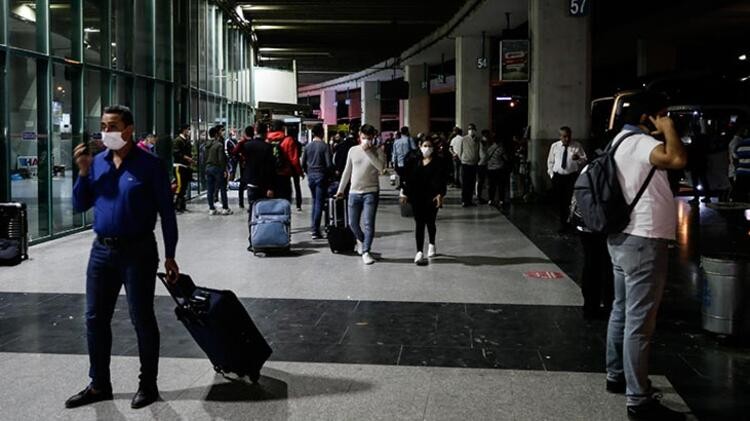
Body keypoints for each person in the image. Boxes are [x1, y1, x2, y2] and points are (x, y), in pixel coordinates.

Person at [68, 105, 180, 410]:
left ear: (129, 129)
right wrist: (81, 171)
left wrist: (170, 256)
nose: (107, 132)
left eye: (113, 126)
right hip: (101, 251)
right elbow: (79, 205)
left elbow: (167, 215)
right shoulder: (96, 162)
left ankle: (148, 385)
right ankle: (99, 384)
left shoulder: (150, 165)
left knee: (141, 318)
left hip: (139, 252)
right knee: (94, 318)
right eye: (104, 126)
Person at [605, 92, 687, 420]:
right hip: (644, 239)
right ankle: (638, 400)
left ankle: (617, 376)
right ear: (647, 117)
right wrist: (667, 128)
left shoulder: (618, 141)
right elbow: (678, 159)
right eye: (661, 114)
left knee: (621, 310)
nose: (665, 118)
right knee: (639, 322)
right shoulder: (639, 143)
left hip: (622, 236)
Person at [335, 124, 385, 265]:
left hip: (371, 191)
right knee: (352, 223)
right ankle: (362, 240)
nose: (366, 141)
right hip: (354, 192)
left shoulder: (378, 151)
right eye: (364, 138)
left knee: (369, 223)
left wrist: (369, 152)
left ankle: (366, 251)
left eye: (369, 138)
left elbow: (381, 168)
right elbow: (347, 171)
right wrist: (341, 189)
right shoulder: (353, 150)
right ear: (359, 136)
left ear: (373, 138)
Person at [400, 137, 447, 265]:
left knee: (430, 222)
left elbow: (443, 180)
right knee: (419, 223)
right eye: (424, 145)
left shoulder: (439, 162)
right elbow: (407, 178)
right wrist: (404, 193)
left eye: (429, 146)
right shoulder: (414, 161)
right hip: (417, 196)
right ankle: (419, 251)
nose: (427, 148)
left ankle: (432, 243)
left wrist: (441, 194)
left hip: (432, 196)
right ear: (420, 146)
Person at [238, 122, 276, 250]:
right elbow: (271, 169)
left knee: (252, 212)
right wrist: (271, 187)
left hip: (251, 183)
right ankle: (264, 238)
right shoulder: (268, 147)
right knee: (265, 213)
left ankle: (252, 240)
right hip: (264, 185)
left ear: (255, 131)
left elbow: (237, 153)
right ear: (266, 132)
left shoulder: (247, 146)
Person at [547, 126, 587, 232]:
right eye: (564, 136)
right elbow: (550, 161)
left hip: (571, 177)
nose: (567, 139)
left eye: (568, 136)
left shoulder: (577, 146)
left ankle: (570, 222)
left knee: (570, 200)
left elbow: (584, 160)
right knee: (560, 201)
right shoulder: (555, 146)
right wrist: (551, 174)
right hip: (558, 177)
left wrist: (578, 158)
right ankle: (562, 222)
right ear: (560, 137)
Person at [301, 124, 333, 239]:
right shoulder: (325, 146)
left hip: (311, 176)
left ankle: (313, 227)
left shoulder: (308, 147)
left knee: (315, 202)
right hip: (321, 176)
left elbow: (303, 163)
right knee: (319, 203)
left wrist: (308, 172)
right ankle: (315, 230)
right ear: (322, 133)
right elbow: (329, 164)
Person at [266, 120, 303, 203]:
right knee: (284, 204)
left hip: (269, 178)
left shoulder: (267, 140)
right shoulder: (288, 140)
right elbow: (294, 160)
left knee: (270, 205)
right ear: (283, 128)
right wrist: (300, 172)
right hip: (284, 176)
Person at [205, 125, 232, 215]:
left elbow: (204, 157)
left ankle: (211, 208)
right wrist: (224, 170)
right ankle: (225, 208)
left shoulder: (206, 145)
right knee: (223, 188)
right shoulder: (219, 145)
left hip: (208, 168)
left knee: (210, 189)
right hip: (217, 168)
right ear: (216, 134)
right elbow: (221, 159)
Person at [454, 123, 481, 207]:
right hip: (465, 163)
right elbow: (459, 151)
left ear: (475, 130)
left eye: (472, 129)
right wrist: (462, 159)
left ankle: (469, 200)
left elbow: (479, 151)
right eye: (469, 129)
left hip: (474, 164)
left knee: (472, 183)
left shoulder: (477, 139)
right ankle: (464, 200)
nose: (471, 130)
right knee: (466, 183)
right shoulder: (464, 139)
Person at [485, 135, 510, 212]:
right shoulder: (500, 148)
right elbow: (506, 158)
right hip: (499, 169)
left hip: (490, 169)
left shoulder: (489, 148)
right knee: (500, 185)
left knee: (492, 185)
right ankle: (501, 200)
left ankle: (490, 199)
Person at [172, 124, 194, 213]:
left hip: (186, 166)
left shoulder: (187, 140)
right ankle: (176, 206)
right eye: (187, 130)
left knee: (184, 186)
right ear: (183, 130)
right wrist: (186, 158)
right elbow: (176, 153)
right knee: (179, 185)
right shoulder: (178, 140)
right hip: (179, 166)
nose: (188, 131)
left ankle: (182, 206)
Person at [476, 130, 491, 204]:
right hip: (481, 164)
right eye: (486, 134)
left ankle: (483, 197)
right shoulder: (480, 143)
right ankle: (479, 197)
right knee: (481, 181)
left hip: (485, 164)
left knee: (484, 181)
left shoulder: (487, 143)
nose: (487, 136)